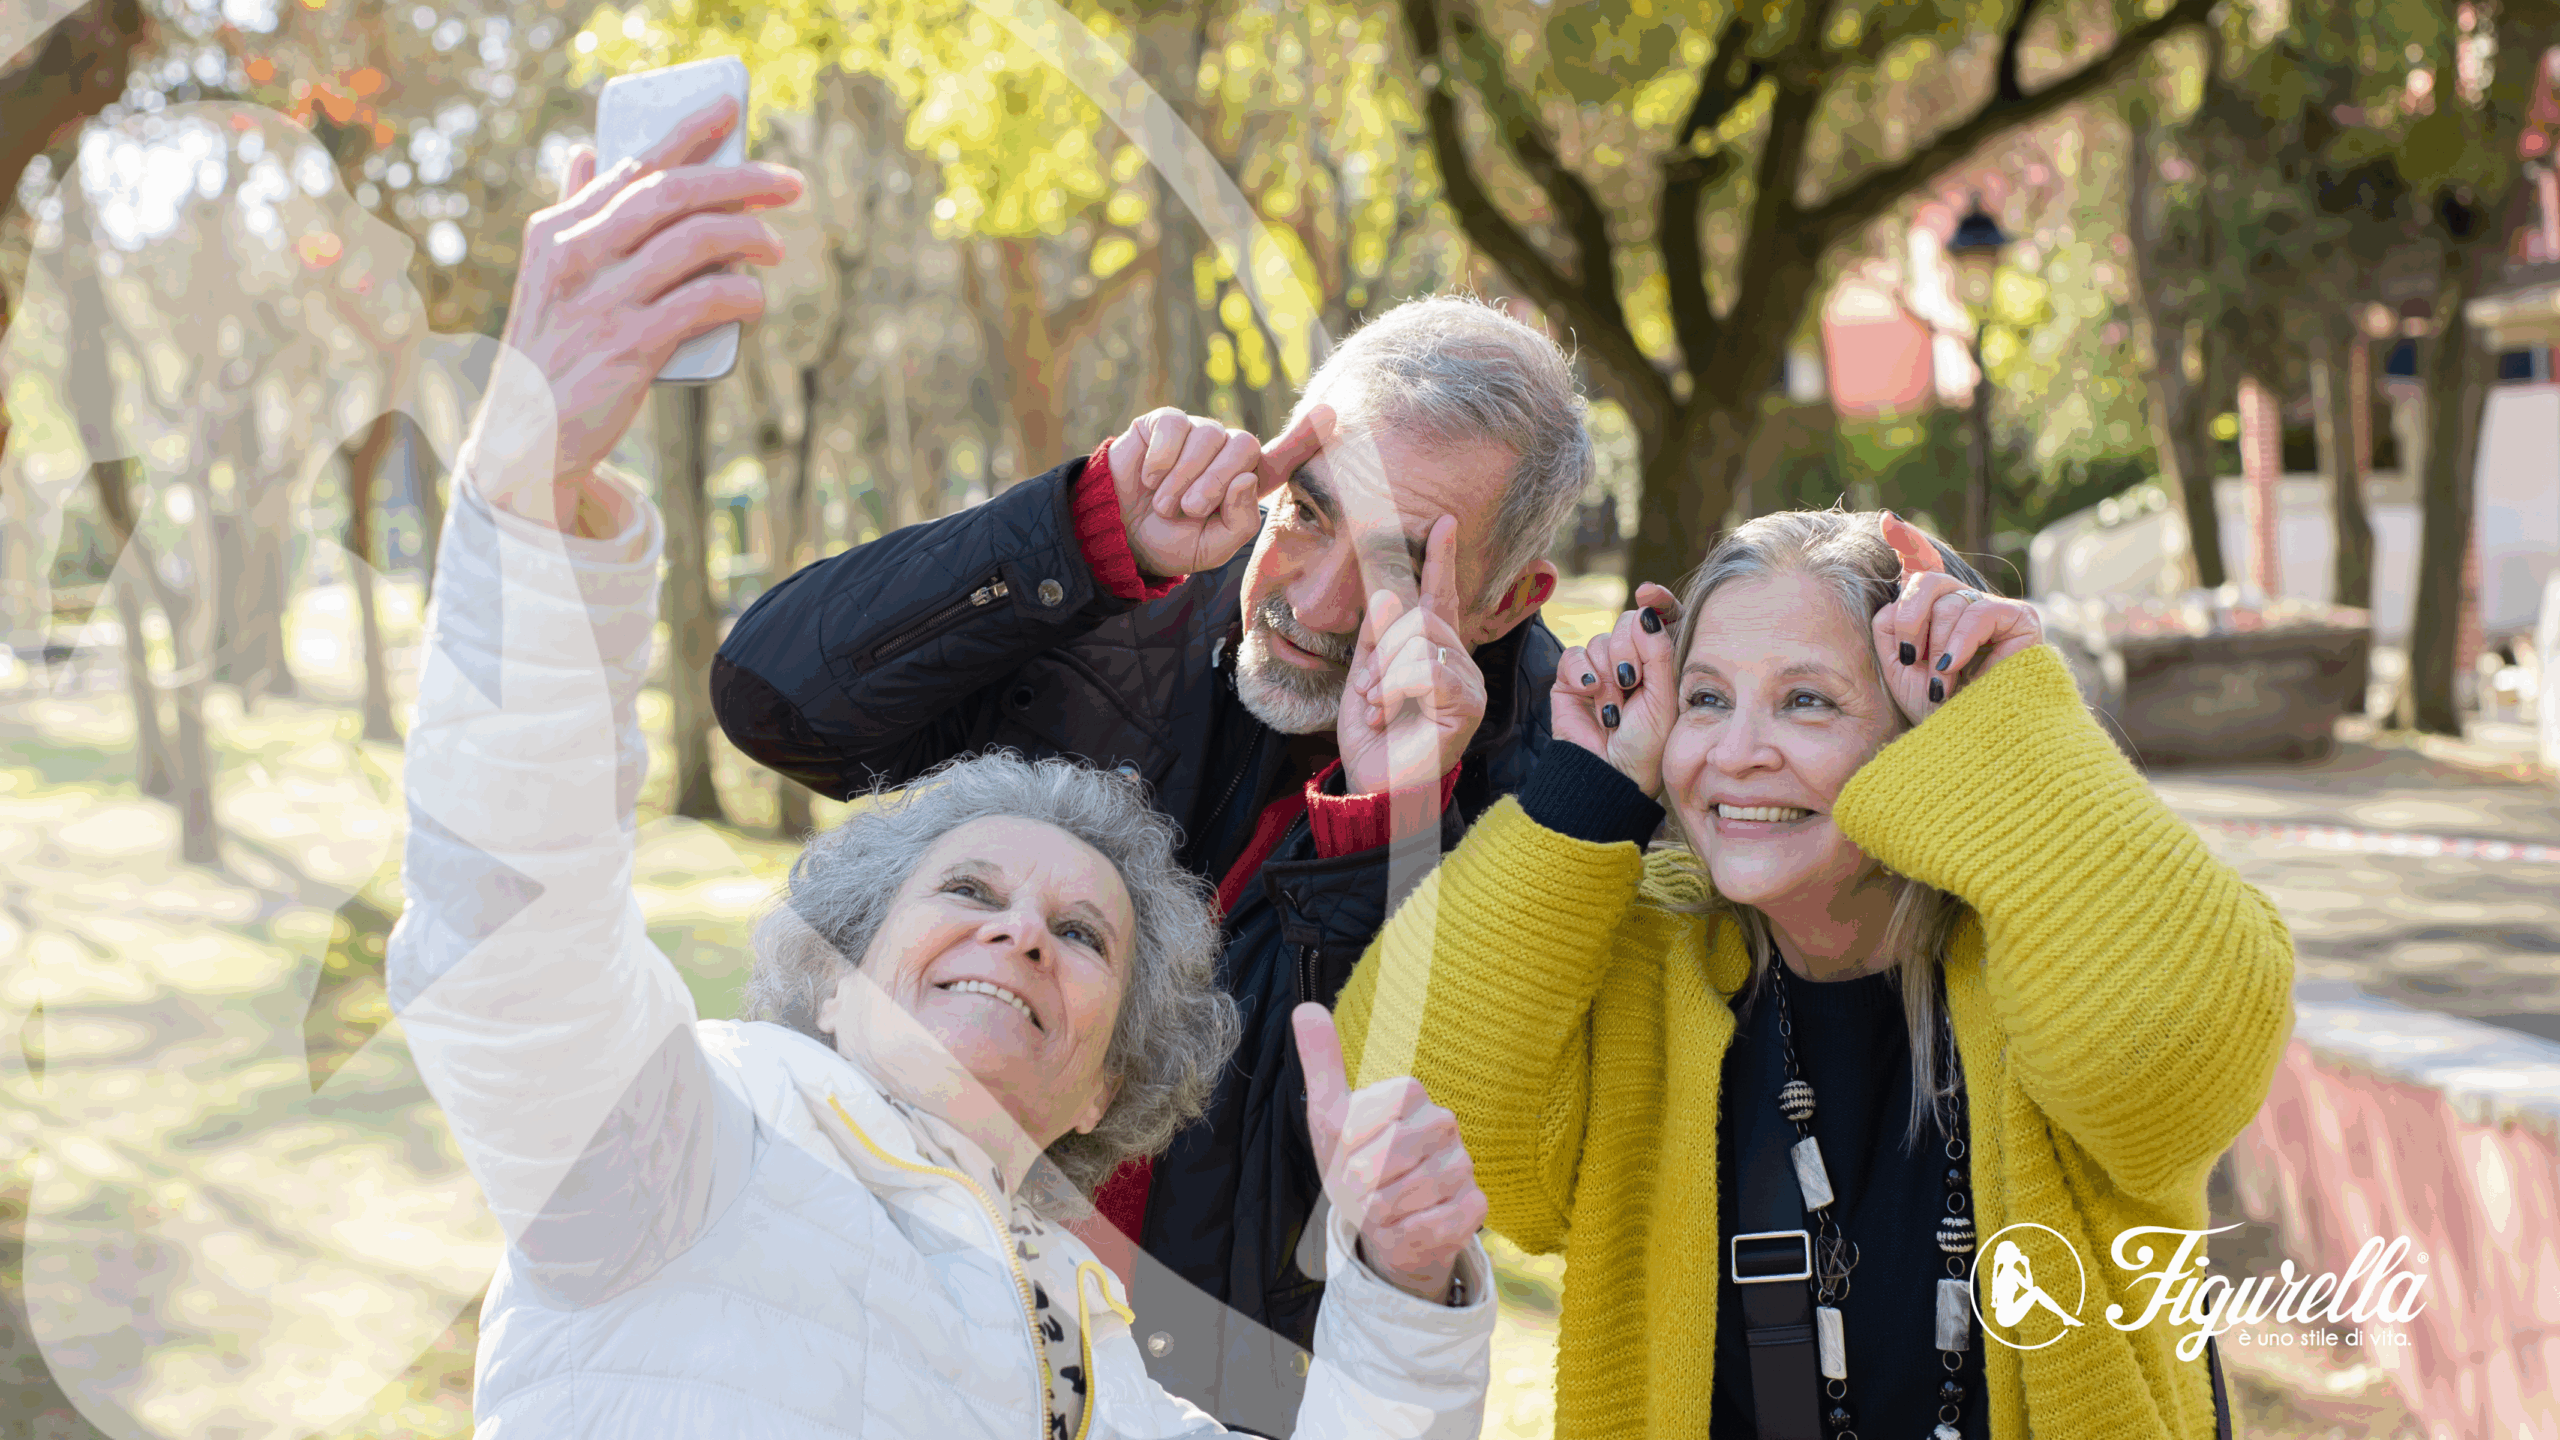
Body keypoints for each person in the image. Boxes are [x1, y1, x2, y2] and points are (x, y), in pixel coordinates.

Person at [389, 97, 1498, 1440]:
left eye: (1083, 933)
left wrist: (1404, 1283)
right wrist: (532, 478)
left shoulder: (1090, 1356)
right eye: (969, 889)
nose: (1023, 933)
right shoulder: (694, 1150)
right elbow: (507, 933)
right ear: (836, 969)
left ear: (1108, 1090)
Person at [711, 292, 1591, 1422]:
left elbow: (1328, 1165)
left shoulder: (1546, 798)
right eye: (1308, 513)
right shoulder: (1125, 595)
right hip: (909, 1339)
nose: (1313, 603)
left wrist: (1382, 823)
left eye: (1395, 566)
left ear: (1508, 601)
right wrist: (1079, 530)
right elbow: (774, 703)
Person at [1330, 508, 2295, 1439]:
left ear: (1927, 728)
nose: (1738, 755)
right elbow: (1402, 1097)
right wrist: (1585, 793)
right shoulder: (1644, 964)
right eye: (1705, 699)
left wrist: (2014, 723)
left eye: (1807, 700)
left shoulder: (2052, 952)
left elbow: (2170, 1062)